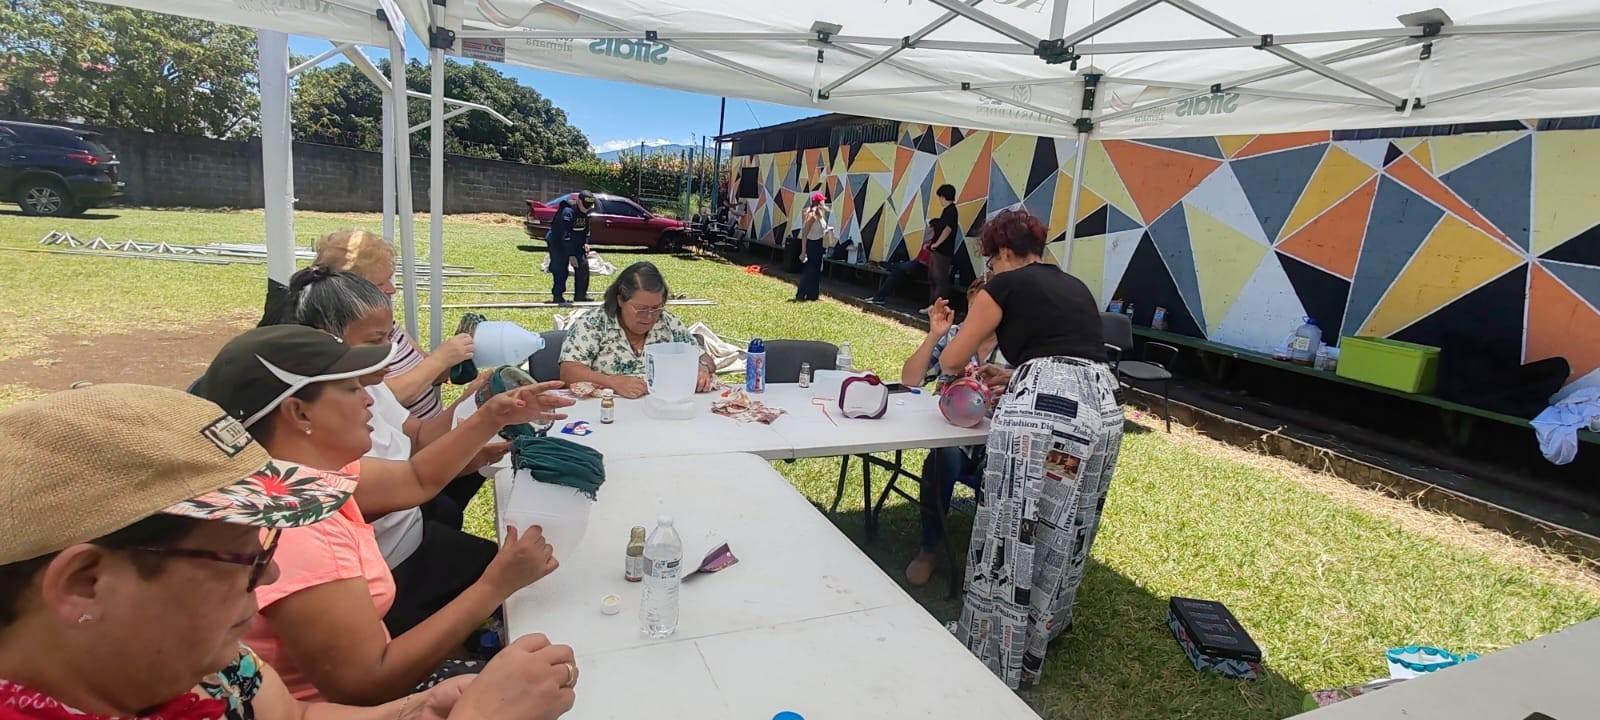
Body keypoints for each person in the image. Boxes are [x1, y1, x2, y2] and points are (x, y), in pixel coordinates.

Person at [0, 384, 580, 720]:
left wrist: (413, 711)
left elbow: (296, 715)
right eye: (242, 557)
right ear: (85, 583)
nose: (270, 570)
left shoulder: (209, 665)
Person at [193, 325, 569, 704]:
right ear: (298, 412)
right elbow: (367, 685)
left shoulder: (293, 474)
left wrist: (491, 416)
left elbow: (415, 478)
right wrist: (494, 586)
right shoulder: (297, 531)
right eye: (351, 389)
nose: (369, 400)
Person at [279, 267, 571, 636]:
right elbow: (414, 479)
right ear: (328, 339)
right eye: (376, 340)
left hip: (412, 530)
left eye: (391, 336)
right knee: (517, 588)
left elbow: (418, 438)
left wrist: (477, 401)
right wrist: (488, 415)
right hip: (391, 567)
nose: (389, 351)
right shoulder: (316, 445)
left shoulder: (366, 385)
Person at [938, 208, 1122, 690]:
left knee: (1011, 523)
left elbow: (953, 359)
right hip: (1099, 411)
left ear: (1002, 251)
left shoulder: (1002, 286)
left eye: (990, 260)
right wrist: (1016, 373)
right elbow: (1068, 355)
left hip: (1040, 422)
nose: (990, 270)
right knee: (1064, 525)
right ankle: (1040, 632)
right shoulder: (1074, 286)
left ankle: (994, 642)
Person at [263, 229, 475, 423]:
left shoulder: (389, 328)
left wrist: (458, 356)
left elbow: (431, 374)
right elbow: (385, 399)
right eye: (380, 284)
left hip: (429, 436)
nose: (392, 289)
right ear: (348, 292)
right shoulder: (344, 341)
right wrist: (441, 359)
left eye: (390, 279)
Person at [899, 278, 1003, 586]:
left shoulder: (1016, 345)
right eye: (976, 306)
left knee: (998, 473)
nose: (981, 315)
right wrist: (934, 335)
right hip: (953, 438)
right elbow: (909, 380)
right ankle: (929, 548)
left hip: (994, 444)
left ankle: (988, 557)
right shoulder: (956, 337)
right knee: (941, 459)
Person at [560, 261, 715, 399]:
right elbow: (569, 372)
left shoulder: (668, 323)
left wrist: (702, 366)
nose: (649, 317)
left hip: (660, 407)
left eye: (656, 308)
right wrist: (612, 382)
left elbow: (705, 358)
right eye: (641, 309)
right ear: (620, 300)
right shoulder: (593, 323)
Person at [547, 190, 597, 305]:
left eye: (589, 206)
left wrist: (586, 242)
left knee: (583, 266)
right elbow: (564, 236)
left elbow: (586, 230)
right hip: (558, 244)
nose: (587, 208)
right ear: (578, 201)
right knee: (560, 270)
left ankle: (580, 296)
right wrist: (571, 255)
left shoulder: (585, 212)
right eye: (585, 205)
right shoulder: (567, 212)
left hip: (575, 243)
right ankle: (558, 296)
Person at [924, 184, 961, 309]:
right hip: (938, 250)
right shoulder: (947, 211)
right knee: (933, 278)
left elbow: (948, 229)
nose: (939, 200)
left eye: (940, 197)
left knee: (940, 279)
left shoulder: (951, 210)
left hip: (943, 251)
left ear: (943, 197)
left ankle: (937, 306)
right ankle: (932, 305)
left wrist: (937, 244)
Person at [794, 192, 829, 302]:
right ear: (819, 202)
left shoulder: (820, 214)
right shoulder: (812, 215)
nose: (824, 203)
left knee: (816, 271)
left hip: (819, 244)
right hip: (812, 244)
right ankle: (801, 294)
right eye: (822, 201)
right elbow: (805, 233)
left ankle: (813, 295)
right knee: (809, 270)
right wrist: (803, 251)